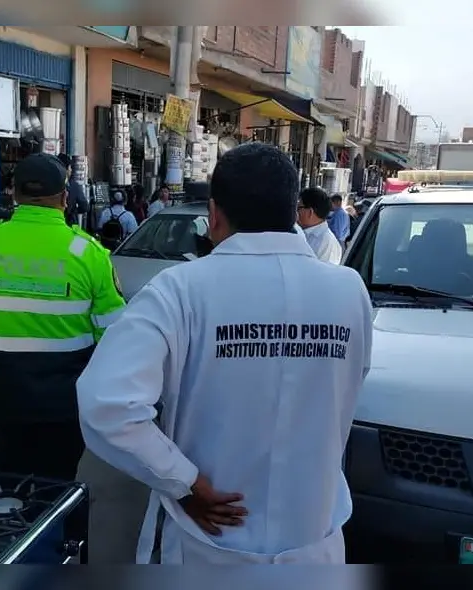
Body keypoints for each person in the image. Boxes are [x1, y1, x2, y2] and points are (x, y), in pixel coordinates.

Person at [76, 142, 373, 564]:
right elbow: (348, 386)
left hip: (210, 543)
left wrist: (183, 482)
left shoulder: (180, 289)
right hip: (313, 541)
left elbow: (106, 404)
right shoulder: (349, 291)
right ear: (293, 212)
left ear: (213, 214)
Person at [0, 153, 126, 482]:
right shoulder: (89, 253)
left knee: (9, 478)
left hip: (1, 393)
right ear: (64, 198)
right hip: (65, 399)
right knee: (58, 484)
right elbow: (114, 336)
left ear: (14, 194)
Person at [297, 187, 343, 264]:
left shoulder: (327, 244)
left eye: (299, 208)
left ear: (310, 212)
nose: (296, 213)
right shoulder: (302, 233)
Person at [58, 154, 89, 227]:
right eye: (70, 167)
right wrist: (74, 211)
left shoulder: (49, 184)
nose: (71, 170)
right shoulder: (74, 186)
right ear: (67, 168)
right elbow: (85, 207)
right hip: (69, 224)